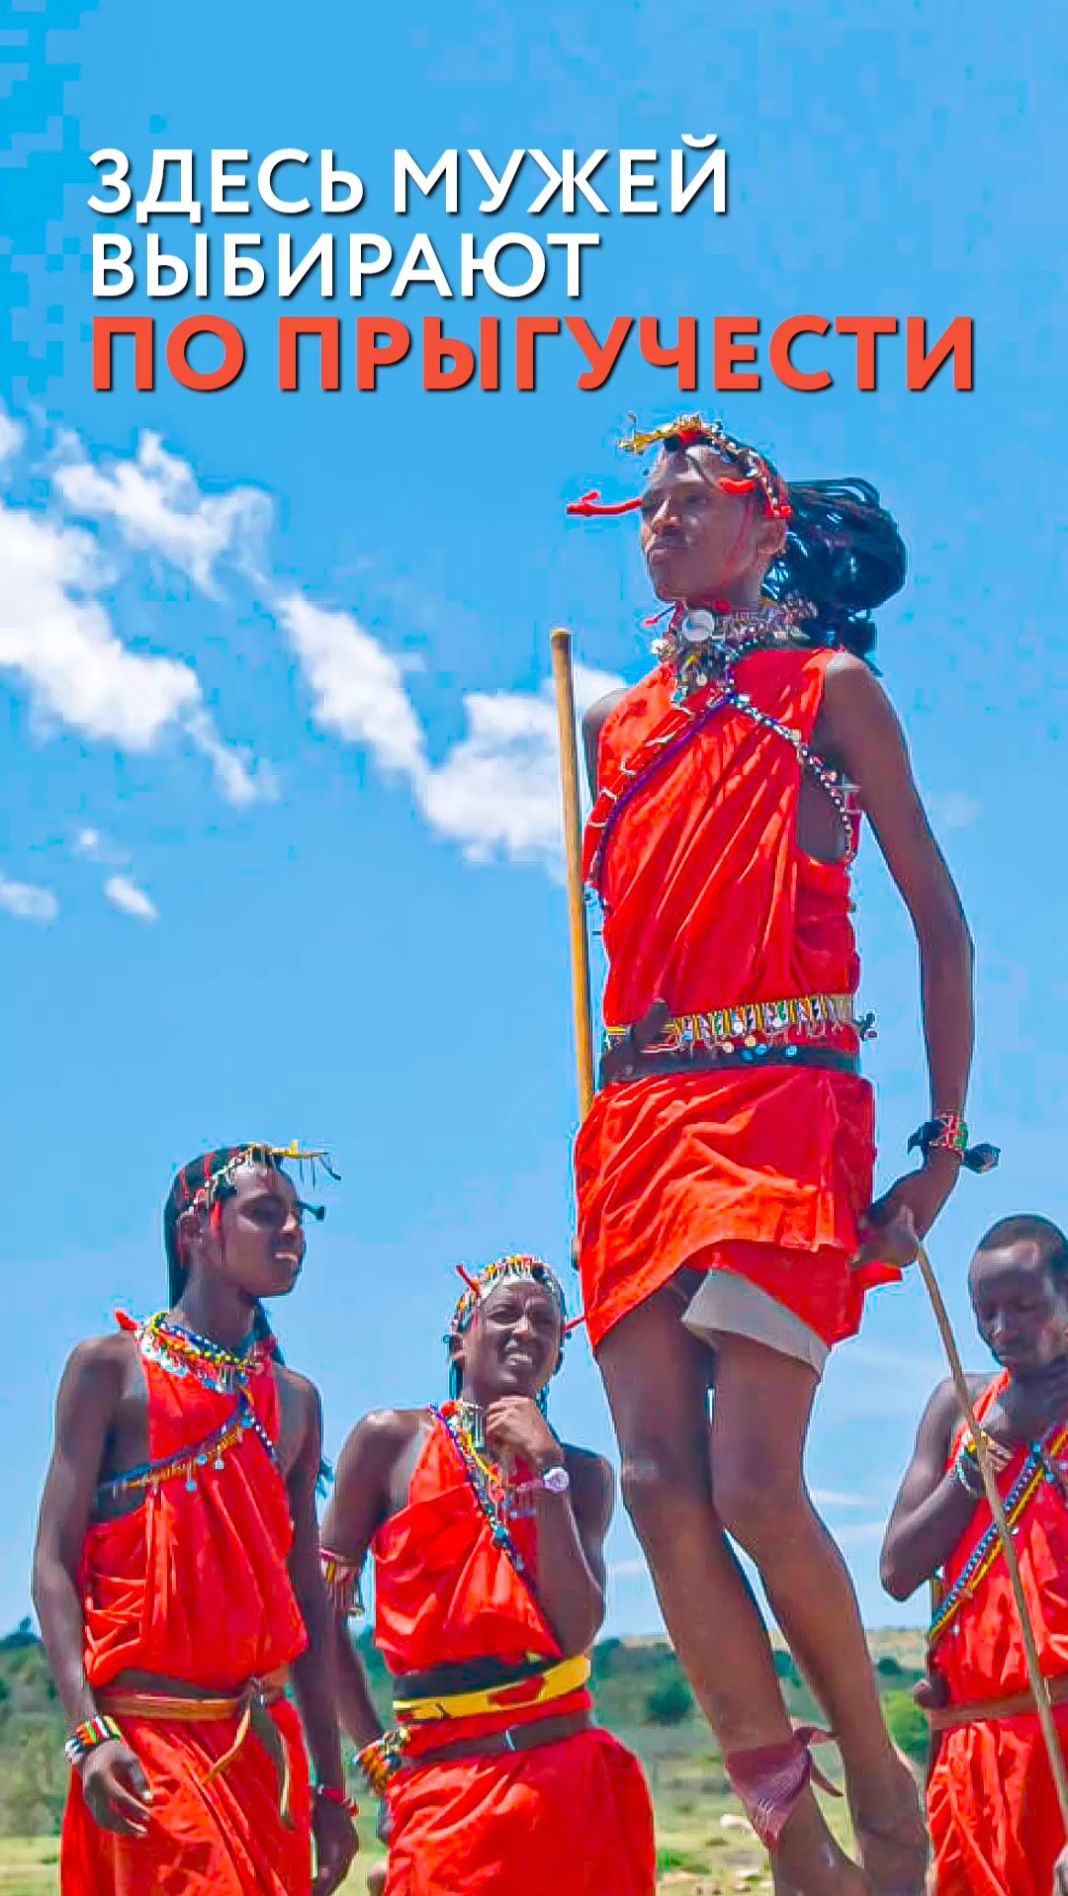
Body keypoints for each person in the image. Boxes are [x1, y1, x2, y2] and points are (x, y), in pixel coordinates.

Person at [568, 414, 995, 1894]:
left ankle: (878, 1775)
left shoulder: (830, 691)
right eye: (649, 504)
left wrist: (939, 1148)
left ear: (767, 533)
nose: (661, 521)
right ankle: (792, 1839)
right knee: (656, 1483)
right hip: (638, 1125)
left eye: (692, 500)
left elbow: (942, 925)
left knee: (754, 1483)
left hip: (783, 1109)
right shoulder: (613, 728)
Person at [33, 1142, 359, 1896]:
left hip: (264, 1755)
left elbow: (305, 1603)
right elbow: (51, 1563)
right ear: (194, 1231)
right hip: (146, 1749)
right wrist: (88, 1733)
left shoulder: (296, 1401)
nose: (292, 1232)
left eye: (299, 1215)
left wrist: (331, 1787)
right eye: (265, 1213)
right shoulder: (110, 1371)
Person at [320, 1253, 656, 1896]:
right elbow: (320, 1615)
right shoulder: (388, 1444)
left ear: (559, 1356)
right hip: (441, 1784)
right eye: (504, 1314)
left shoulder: (582, 1475)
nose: (525, 1330)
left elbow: (575, 1631)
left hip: (569, 1783)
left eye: (545, 1323)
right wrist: (377, 1760)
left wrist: (546, 1467)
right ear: (459, 1340)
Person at [881, 1214, 1068, 1896]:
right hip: (971, 1750)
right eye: (986, 1313)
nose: (1002, 1330)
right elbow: (898, 1570)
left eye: (1024, 1306)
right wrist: (994, 1441)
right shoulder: (957, 1409)